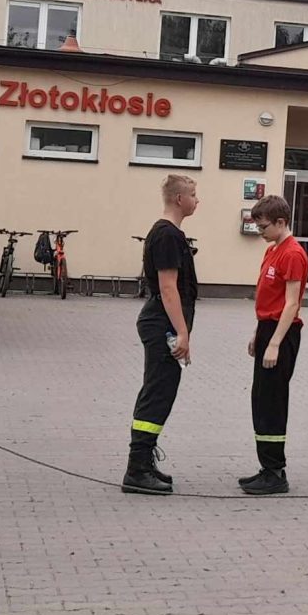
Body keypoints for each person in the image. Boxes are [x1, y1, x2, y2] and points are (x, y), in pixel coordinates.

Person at [122, 174, 199, 495]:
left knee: (160, 391)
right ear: (179, 199)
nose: (198, 200)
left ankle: (144, 461)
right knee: (158, 393)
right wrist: (182, 333)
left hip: (162, 322)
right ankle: (137, 469)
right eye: (194, 194)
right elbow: (169, 288)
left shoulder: (169, 233)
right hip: (162, 323)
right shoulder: (167, 235)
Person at [237, 195, 308, 496]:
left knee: (273, 400)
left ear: (281, 222)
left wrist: (275, 344)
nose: (260, 231)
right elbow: (269, 299)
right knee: (261, 399)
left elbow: (291, 304)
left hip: (283, 332)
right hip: (268, 328)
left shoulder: (293, 254)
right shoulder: (272, 250)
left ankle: (276, 472)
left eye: (264, 226)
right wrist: (260, 333)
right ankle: (266, 466)